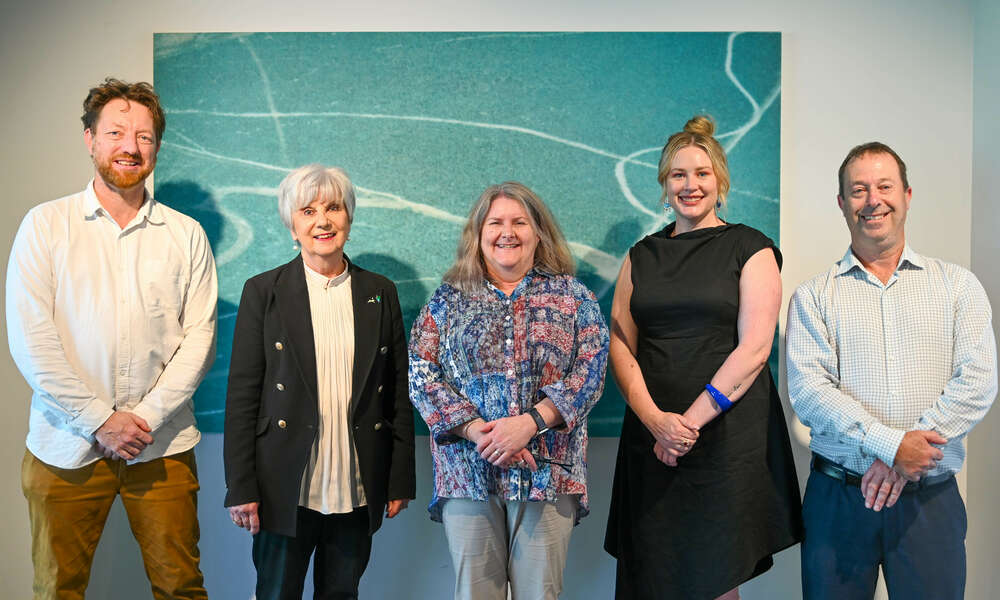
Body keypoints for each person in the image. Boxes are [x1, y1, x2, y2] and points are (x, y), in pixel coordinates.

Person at [6, 77, 217, 599]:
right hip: (64, 445)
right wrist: (101, 421)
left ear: (157, 147)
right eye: (117, 132)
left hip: (161, 445)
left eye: (144, 137)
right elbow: (32, 341)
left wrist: (140, 420)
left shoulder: (186, 235)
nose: (130, 147)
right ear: (90, 139)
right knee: (58, 590)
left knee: (181, 588)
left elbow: (199, 341)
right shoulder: (45, 226)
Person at [786, 141, 997, 599]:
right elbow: (809, 392)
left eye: (884, 186)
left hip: (929, 503)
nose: (872, 200)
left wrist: (906, 457)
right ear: (842, 203)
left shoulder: (957, 286)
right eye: (858, 190)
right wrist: (892, 446)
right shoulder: (813, 296)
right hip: (838, 500)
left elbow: (978, 383)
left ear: (907, 194)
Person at [604, 116, 803, 600]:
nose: (690, 185)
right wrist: (656, 422)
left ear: (720, 181)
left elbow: (755, 350)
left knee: (713, 578)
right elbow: (620, 343)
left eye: (701, 174)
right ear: (663, 184)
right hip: (652, 440)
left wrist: (685, 427)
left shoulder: (750, 247)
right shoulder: (641, 255)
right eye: (678, 174)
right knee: (651, 572)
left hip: (723, 440)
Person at [408, 181, 608, 600]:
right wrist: (477, 431)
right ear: (478, 235)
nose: (507, 232)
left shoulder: (573, 298)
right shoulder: (447, 301)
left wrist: (530, 424)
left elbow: (590, 373)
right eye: (495, 222)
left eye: (520, 222)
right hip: (468, 473)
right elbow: (421, 373)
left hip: (547, 473)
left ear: (539, 233)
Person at [224, 164, 415, 599]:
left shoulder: (380, 292)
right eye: (307, 211)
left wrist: (399, 479)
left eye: (333, 207)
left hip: (355, 484)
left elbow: (398, 393)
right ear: (292, 224)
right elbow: (242, 396)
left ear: (349, 217)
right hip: (284, 485)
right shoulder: (263, 291)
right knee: (276, 593)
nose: (322, 221)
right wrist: (241, 486)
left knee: (342, 595)